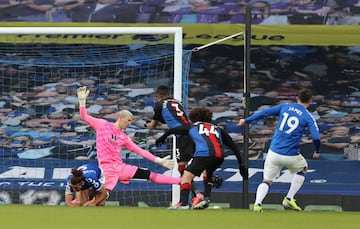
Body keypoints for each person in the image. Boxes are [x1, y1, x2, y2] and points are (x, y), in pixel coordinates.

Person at [76, 86, 180, 197]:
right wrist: (82, 102)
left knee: (149, 175)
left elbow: (140, 151)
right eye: (129, 120)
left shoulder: (124, 137)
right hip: (106, 170)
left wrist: (159, 161)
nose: (130, 123)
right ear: (120, 118)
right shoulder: (102, 125)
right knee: (95, 198)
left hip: (121, 168)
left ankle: (180, 181)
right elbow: (84, 116)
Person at [237, 88, 321, 212]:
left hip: (274, 152)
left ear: (297, 98)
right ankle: (289, 198)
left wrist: (246, 120)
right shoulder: (308, 117)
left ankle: (257, 204)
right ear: (310, 101)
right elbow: (316, 137)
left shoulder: (285, 107)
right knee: (303, 169)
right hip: (291, 155)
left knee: (267, 180)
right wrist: (317, 150)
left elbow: (264, 113)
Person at [156, 107, 248, 210]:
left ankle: (184, 203)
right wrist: (241, 165)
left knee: (186, 177)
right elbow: (233, 146)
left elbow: (173, 130)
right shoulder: (218, 129)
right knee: (207, 174)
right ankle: (206, 199)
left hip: (204, 154)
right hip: (219, 156)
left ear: (193, 118)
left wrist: (162, 137)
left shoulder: (192, 126)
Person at [145, 85, 204, 207]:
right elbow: (173, 118)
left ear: (158, 96)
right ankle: (195, 197)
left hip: (182, 136)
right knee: (186, 167)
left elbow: (153, 125)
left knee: (182, 168)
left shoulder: (159, 104)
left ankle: (191, 198)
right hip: (192, 133)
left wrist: (146, 125)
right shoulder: (177, 103)